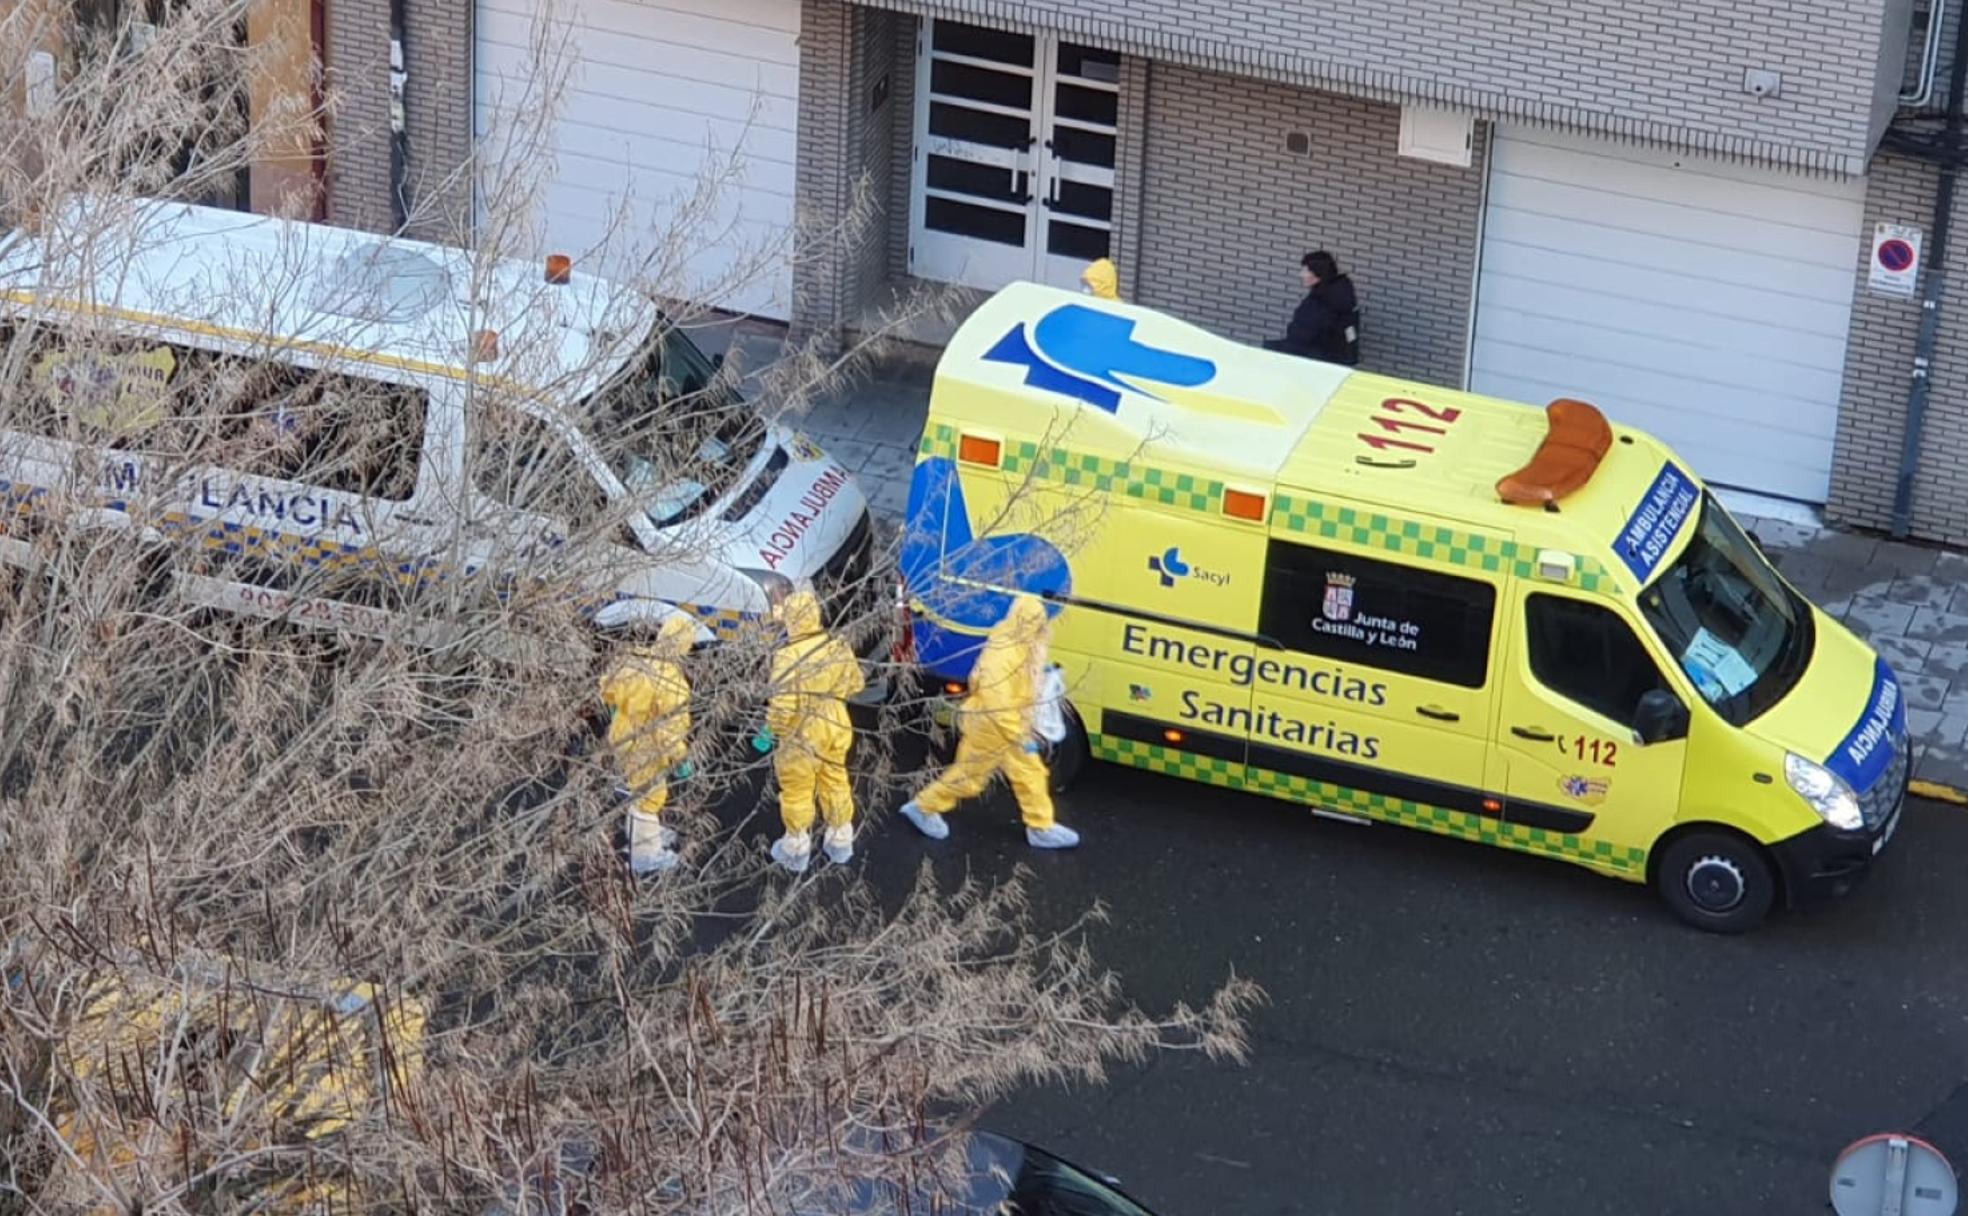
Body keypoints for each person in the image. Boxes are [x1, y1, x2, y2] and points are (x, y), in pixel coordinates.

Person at [897, 593, 1081, 849]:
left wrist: (1042, 676)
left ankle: (1041, 827)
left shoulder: (1019, 644)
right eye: (1035, 623)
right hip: (990, 727)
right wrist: (1018, 734)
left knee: (1031, 773)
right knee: (969, 778)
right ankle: (923, 807)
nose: (1040, 629)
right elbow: (997, 702)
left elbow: (1020, 683)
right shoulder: (1002, 655)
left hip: (1008, 725)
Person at [757, 585, 866, 873]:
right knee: (835, 779)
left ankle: (796, 847)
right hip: (836, 724)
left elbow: (783, 708)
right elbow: (856, 683)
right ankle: (840, 839)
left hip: (802, 733)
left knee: (797, 788)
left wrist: (769, 731)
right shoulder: (837, 646)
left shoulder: (788, 656)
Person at [597, 614, 698, 875]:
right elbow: (670, 733)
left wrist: (621, 713)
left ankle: (646, 833)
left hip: (623, 735)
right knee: (650, 796)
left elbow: (606, 689)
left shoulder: (635, 660)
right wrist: (681, 759)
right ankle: (644, 854)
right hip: (646, 746)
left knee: (638, 788)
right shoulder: (672, 683)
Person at [1264, 250, 1360, 366]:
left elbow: (1301, 337)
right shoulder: (1341, 295)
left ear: (1317, 273)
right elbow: (1349, 333)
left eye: (1305, 270)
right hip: (1334, 359)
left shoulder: (1321, 302)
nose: (1301, 274)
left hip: (1315, 361)